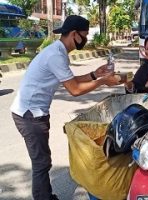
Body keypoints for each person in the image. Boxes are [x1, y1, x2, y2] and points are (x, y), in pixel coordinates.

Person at [10, 15, 122, 200]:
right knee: (41, 163)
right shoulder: (55, 54)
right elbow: (75, 90)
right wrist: (102, 81)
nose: (85, 40)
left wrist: (95, 74)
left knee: (43, 160)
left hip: (35, 113)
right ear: (73, 34)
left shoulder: (59, 52)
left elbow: (71, 80)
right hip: (29, 115)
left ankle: (45, 196)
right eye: (84, 35)